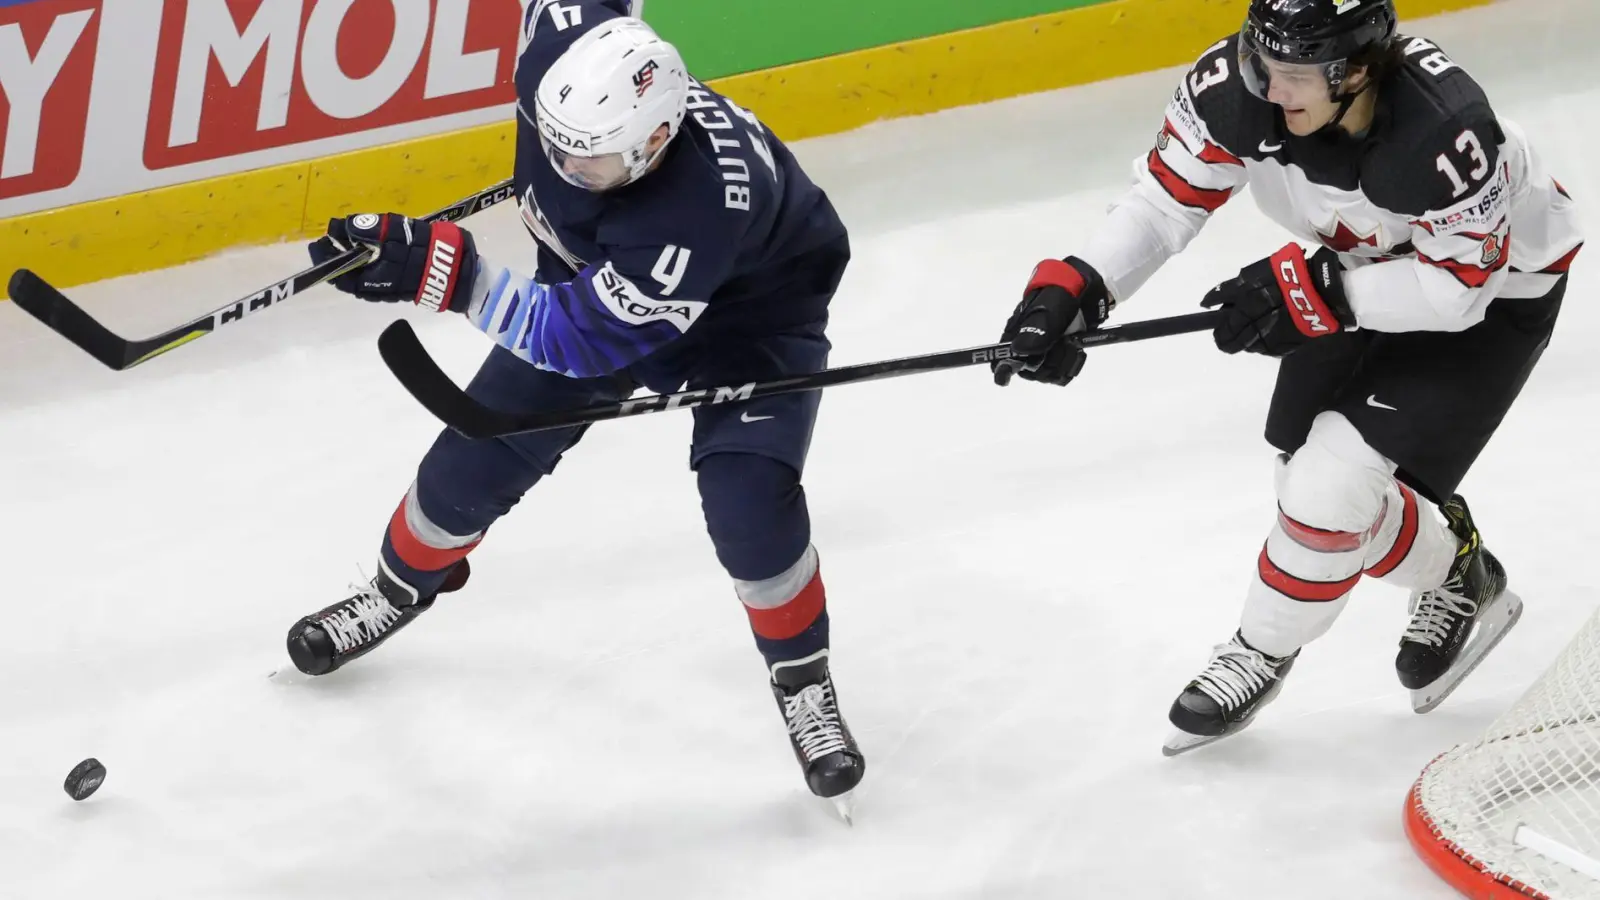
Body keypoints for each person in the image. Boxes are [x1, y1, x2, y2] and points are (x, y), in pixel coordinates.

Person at [280, 1, 864, 809]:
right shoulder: (558, 46)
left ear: (656, 143)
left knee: (747, 500)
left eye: (585, 165)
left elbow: (578, 343)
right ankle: (392, 592)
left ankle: (802, 678)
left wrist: (445, 275)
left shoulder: (692, 213)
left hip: (750, 323)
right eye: (552, 146)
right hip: (594, 281)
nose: (560, 170)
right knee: (465, 469)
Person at [992, 0, 1583, 754]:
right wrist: (1077, 287)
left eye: (1297, 74)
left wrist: (1319, 295)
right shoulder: (1239, 90)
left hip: (1494, 294)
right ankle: (1458, 572)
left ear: (1360, 69)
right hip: (1365, 271)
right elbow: (1163, 201)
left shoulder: (1442, 132)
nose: (1269, 89)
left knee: (1328, 490)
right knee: (1309, 484)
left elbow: (1455, 291)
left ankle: (1261, 648)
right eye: (1261, 61)